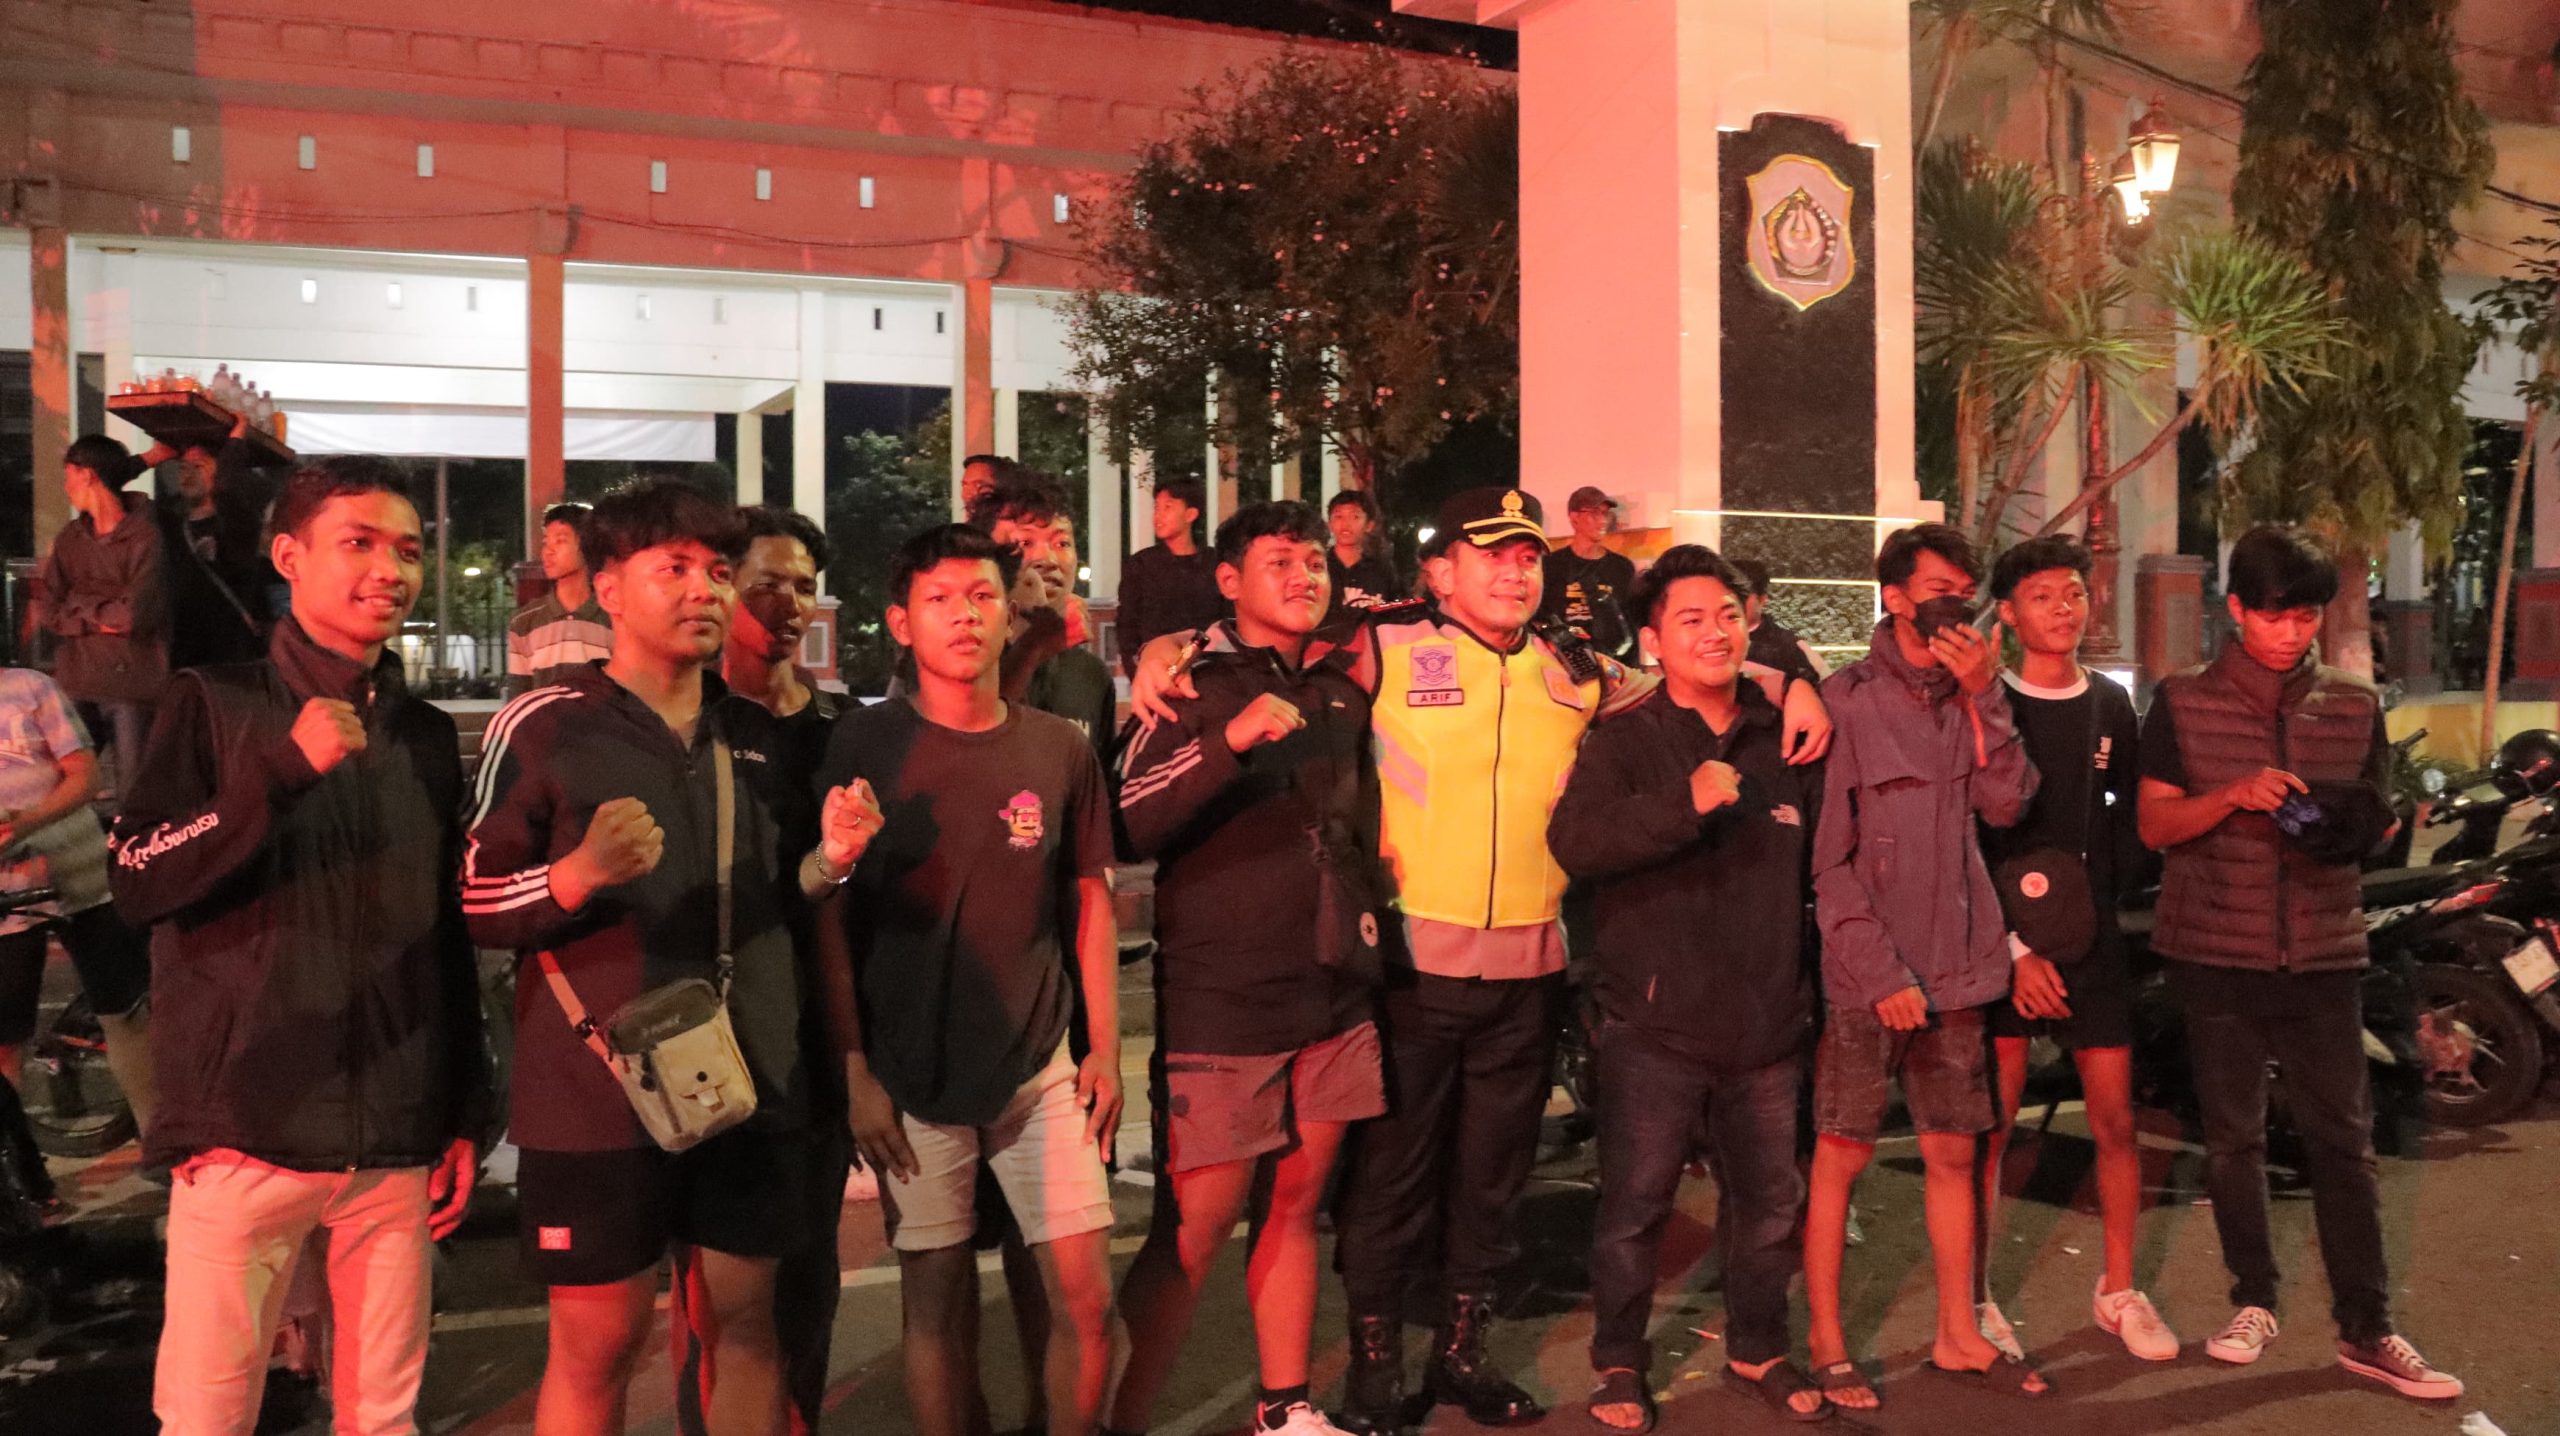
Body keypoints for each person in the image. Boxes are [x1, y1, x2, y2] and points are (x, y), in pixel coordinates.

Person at [1130, 487, 1832, 1433]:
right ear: (1439, 571)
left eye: (1528, 557)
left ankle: (1462, 1355)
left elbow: (1693, 674)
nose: (1515, 572)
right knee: (1391, 1181)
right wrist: (1163, 646)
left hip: (1531, 973)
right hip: (1410, 968)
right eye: (1492, 555)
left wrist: (1793, 680)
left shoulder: (1574, 665)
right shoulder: (1379, 643)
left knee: (1492, 1184)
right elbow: (1263, 632)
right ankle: (1375, 1367)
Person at [463, 479, 874, 1436]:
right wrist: (576, 875)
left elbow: (789, 898)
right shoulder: (546, 723)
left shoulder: (759, 735)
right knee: (598, 1344)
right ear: (608, 588)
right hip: (592, 1096)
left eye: (719, 572)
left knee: (749, 1330)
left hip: (746, 1082)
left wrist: (832, 860)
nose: (705, 590)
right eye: (676, 568)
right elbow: (474, 902)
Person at [109, 458, 484, 1436]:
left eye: (408, 550)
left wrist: (461, 1111)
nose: (390, 570)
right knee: (207, 1415)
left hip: (392, 1135)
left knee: (383, 1416)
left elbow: (442, 931)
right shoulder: (214, 701)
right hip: (243, 1126)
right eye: (358, 542)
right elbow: (138, 874)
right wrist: (277, 772)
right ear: (289, 556)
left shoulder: (425, 735)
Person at [2137, 525, 2460, 1401]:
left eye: (2307, 616)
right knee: (2234, 1141)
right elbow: (2156, 824)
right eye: (2275, 616)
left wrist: (2356, 825)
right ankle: (2253, 1301)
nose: (2291, 633)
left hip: (2323, 950)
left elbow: (2378, 821)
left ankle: (2368, 1328)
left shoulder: (2353, 703)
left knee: (2345, 1144)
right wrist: (2234, 796)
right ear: (2237, 610)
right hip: (2216, 948)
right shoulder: (2183, 700)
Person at [815, 524, 1123, 1436]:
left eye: (983, 596)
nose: (965, 616)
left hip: (1042, 1065)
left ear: (1009, 615)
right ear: (900, 623)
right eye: (940, 599)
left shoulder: (1058, 748)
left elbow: (1091, 899)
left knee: (1086, 1300)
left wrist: (1105, 1049)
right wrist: (855, 1070)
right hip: (909, 1072)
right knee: (936, 1304)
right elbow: (829, 914)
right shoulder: (863, 742)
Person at [1110, 501, 1385, 1436]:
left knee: (1297, 1207)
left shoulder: (1343, 680)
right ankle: (1116, 1421)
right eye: (1280, 562)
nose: (1305, 576)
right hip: (1221, 1001)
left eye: (1315, 561)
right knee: (1193, 1233)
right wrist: (1225, 742)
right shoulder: (1191, 681)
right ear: (1229, 580)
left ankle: (1284, 1408)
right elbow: (1128, 819)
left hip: (1334, 989)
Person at [1547, 545, 1829, 1429]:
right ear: (1653, 641)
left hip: (1768, 1024)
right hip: (1654, 1026)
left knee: (1771, 1206)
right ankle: (1618, 1362)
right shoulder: (1624, 741)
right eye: (1692, 619)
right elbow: (1575, 845)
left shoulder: (1788, 734)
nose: (1715, 632)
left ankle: (1759, 1346)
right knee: (1635, 1208)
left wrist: (1800, 686)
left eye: (1729, 616)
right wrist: (1684, 803)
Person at [1804, 522, 2043, 1407]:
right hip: (1870, 977)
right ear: (1896, 596)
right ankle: (1828, 1342)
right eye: (1937, 589)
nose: (1953, 607)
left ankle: (1957, 1332)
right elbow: (1827, 862)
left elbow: (2008, 804)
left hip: (1961, 970)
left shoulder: (1975, 695)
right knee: (1841, 1154)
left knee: (1953, 1153)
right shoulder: (1845, 701)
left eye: (1963, 593)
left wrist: (1987, 696)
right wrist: (1882, 977)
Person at [671, 504, 850, 1436]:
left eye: (804, 586)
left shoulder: (839, 727)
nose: (788, 604)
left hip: (819, 1047)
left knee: (811, 1284)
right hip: (719, 1050)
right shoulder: (689, 722)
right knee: (720, 1309)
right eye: (767, 582)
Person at [1971, 537, 2172, 1364]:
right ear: (2008, 613)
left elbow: (2128, 823)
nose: (2064, 608)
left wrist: (2101, 913)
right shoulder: (1987, 702)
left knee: (2116, 1121)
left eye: (2075, 593)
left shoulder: (2111, 704)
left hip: (2090, 944)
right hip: (2004, 949)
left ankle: (2119, 1289)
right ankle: (1975, 1296)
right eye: (2043, 595)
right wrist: (2015, 949)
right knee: (1992, 1127)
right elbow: (1972, 837)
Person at [0, 666, 154, 1135]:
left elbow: (84, 777)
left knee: (126, 1013)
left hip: (80, 872)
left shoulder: (30, 687)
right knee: (5, 1041)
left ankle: (164, 1144)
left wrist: (24, 822)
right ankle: (18, 1166)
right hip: (7, 897)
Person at [34, 434, 167, 774]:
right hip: (77, 680)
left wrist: (78, 604)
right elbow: (48, 609)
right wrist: (102, 613)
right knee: (65, 785)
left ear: (88, 474)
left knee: (133, 791)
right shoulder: (71, 537)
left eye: (68, 475)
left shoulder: (144, 537)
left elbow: (134, 615)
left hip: (131, 685)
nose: (66, 486)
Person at [971, 470, 1117, 758]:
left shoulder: (1090, 675)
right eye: (1024, 544)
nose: (1048, 559)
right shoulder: (962, 662)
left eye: (1062, 544)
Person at [148, 423, 275, 670]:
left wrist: (235, 444)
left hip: (230, 656)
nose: (187, 475)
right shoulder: (168, 521)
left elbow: (228, 493)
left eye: (198, 467)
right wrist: (149, 458)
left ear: (220, 472)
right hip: (179, 653)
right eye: (183, 467)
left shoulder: (238, 523)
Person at [1115, 478, 1226, 676]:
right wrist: (1136, 672)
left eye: (1168, 507)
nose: (1158, 515)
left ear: (1191, 514)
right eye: (1156, 508)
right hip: (1156, 670)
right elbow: (1127, 624)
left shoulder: (1214, 563)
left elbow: (1227, 620)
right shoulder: (1142, 564)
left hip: (1211, 671)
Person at [505, 502, 614, 696]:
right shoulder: (524, 622)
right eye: (546, 542)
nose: (548, 551)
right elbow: (518, 698)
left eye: (560, 541)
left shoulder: (615, 617)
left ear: (587, 546)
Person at [1536, 486, 1637, 662]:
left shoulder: (1622, 567)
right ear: (1574, 517)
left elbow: (1630, 625)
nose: (1602, 520)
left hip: (1612, 664)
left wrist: (1632, 670)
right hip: (1562, 662)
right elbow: (1538, 620)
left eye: (1605, 513)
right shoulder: (1551, 566)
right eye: (1594, 513)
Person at [1731, 558, 1829, 689]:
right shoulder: (1709, 640)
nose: (1733, 603)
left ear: (1762, 600)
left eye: (1741, 596)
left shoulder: (1790, 647)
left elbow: (1823, 690)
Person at [1325, 490, 1400, 612]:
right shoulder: (1319, 567)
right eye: (1339, 516)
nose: (1346, 524)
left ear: (1369, 525)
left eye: (1355, 517)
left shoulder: (1382, 571)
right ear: (1330, 524)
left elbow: (1397, 612)